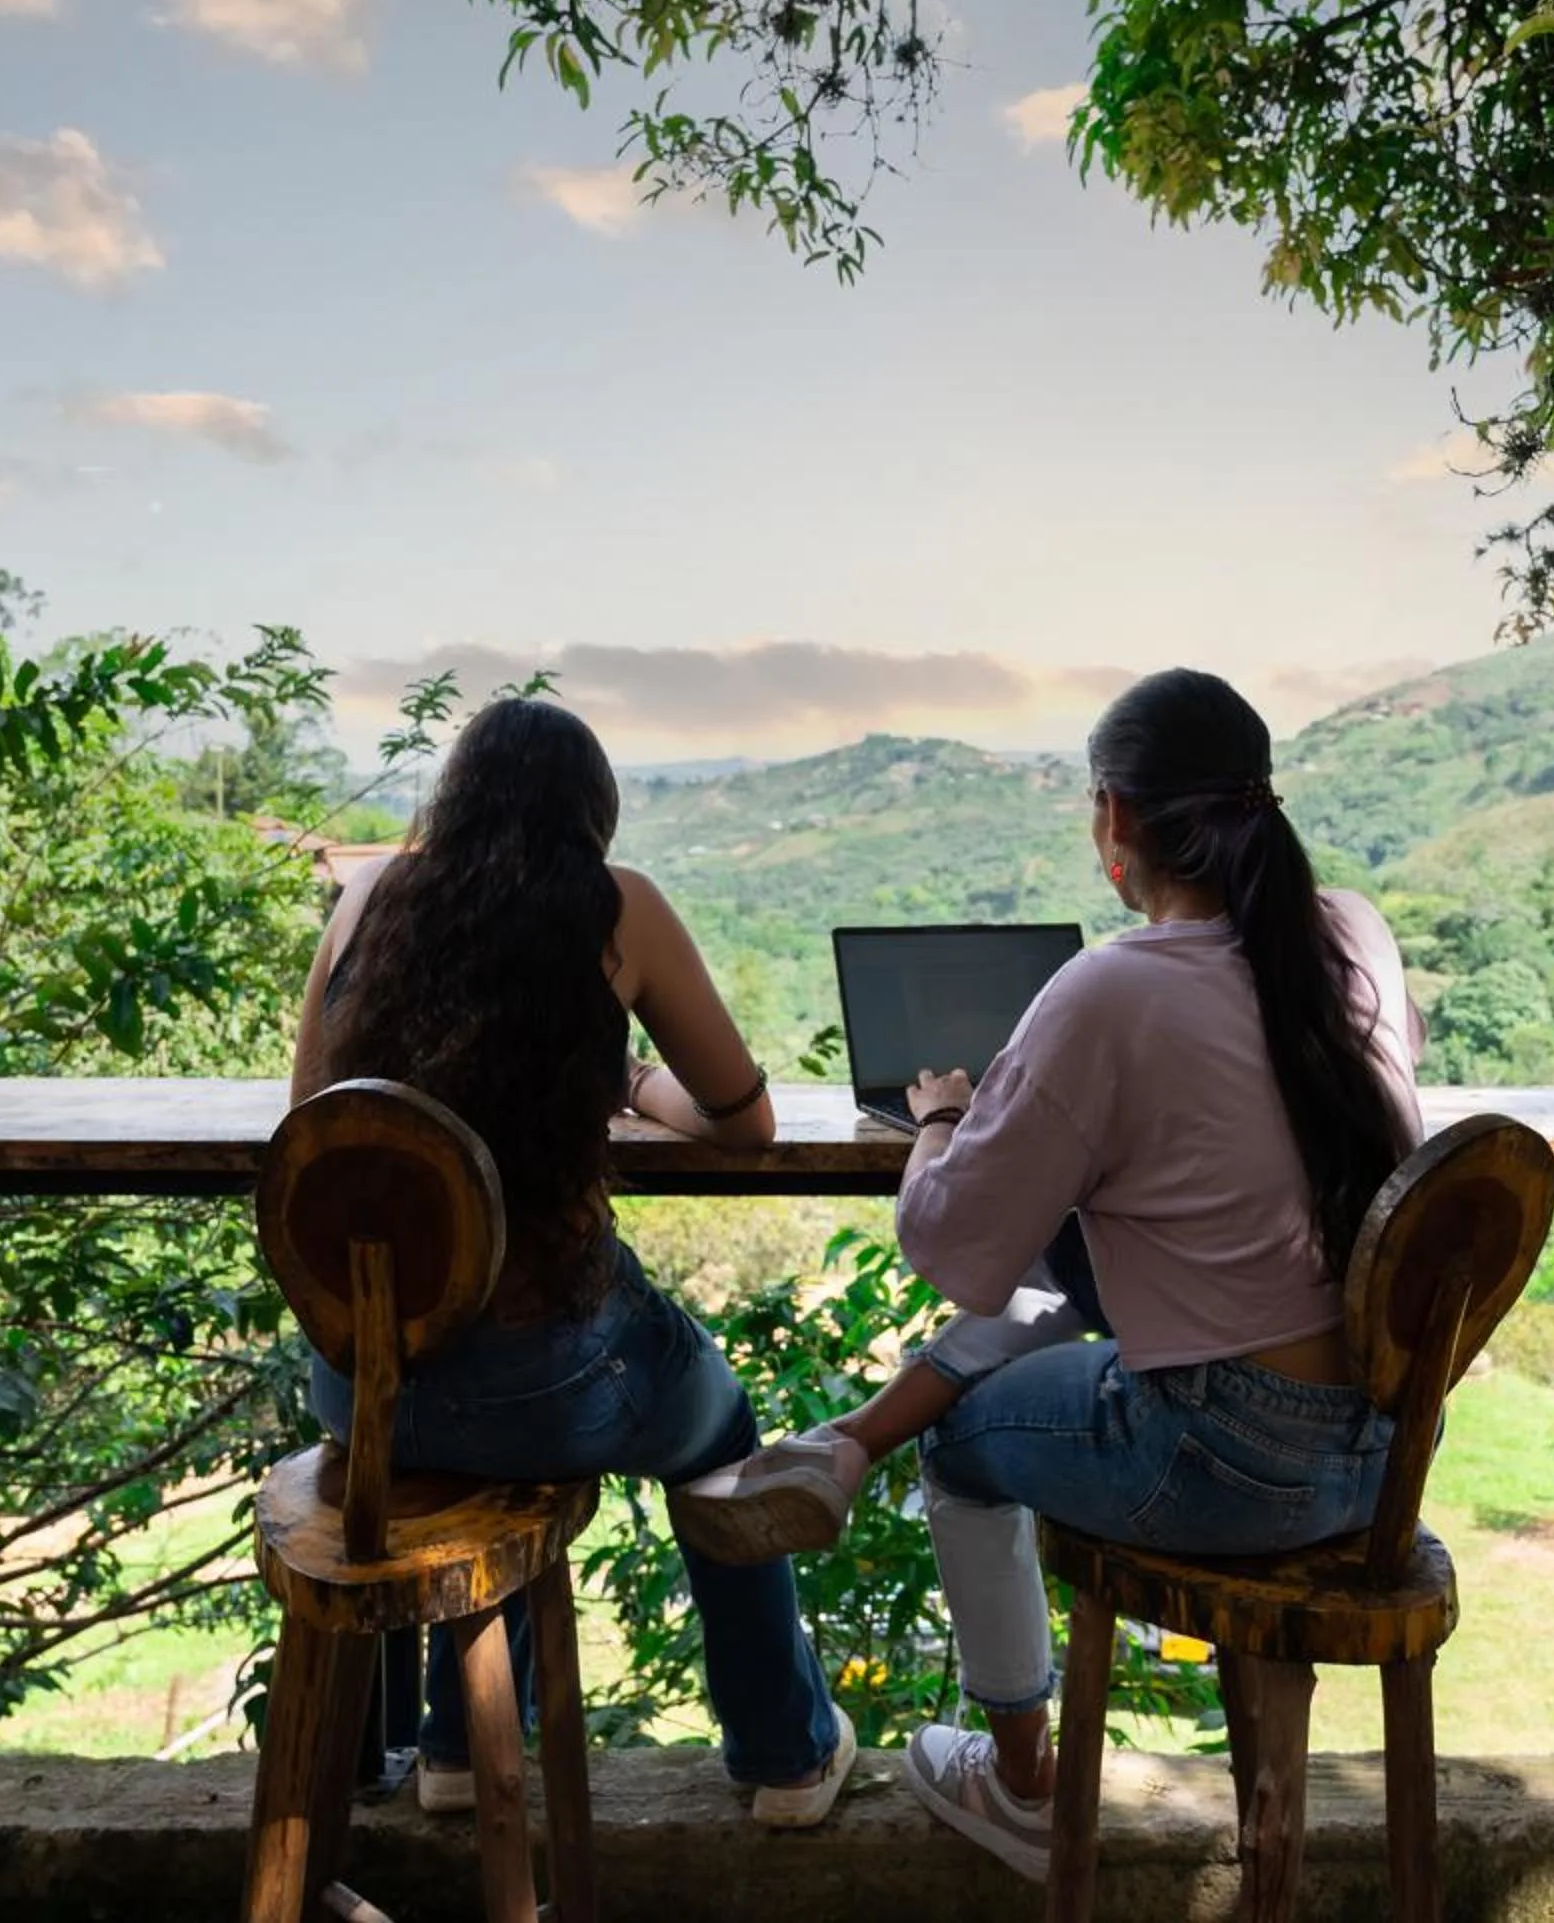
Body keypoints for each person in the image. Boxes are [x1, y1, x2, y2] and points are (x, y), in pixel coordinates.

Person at [677, 667, 1423, 1879]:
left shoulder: (1109, 989)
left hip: (1227, 1461)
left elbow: (953, 1244)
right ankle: (851, 1439)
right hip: (1385, 1453)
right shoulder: (1349, 937)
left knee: (968, 1437)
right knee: (1076, 1265)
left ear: (1114, 821)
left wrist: (939, 1119)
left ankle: (1022, 1777)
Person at [288, 696, 855, 1828]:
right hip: (542, 1388)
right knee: (717, 1422)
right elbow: (746, 1121)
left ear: (453, 798)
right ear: (591, 813)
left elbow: (314, 1112)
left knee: (481, 1421)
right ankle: (785, 1756)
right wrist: (635, 1080)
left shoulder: (367, 899)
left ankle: (456, 1747)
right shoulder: (616, 908)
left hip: (363, 1389)